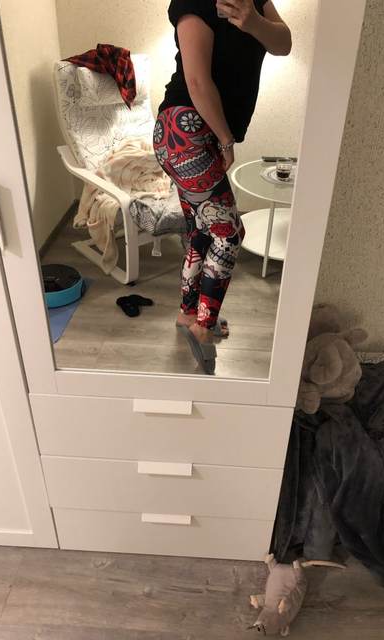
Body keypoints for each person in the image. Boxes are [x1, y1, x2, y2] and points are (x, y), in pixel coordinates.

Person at [153, 0, 292, 374]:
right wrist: (226, 140)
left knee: (202, 228)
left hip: (192, 133)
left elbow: (283, 43)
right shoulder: (194, 2)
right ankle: (204, 327)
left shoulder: (255, 3)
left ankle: (189, 315)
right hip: (185, 132)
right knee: (229, 233)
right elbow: (197, 82)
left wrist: (253, 21)